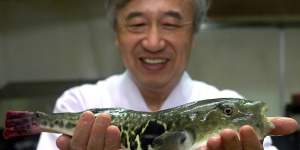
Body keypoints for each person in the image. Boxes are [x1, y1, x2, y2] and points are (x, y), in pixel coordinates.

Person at [37, 0, 298, 150]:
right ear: (116, 33)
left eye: (171, 24)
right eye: (137, 24)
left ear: (193, 34)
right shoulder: (77, 103)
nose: (153, 42)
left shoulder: (234, 112)